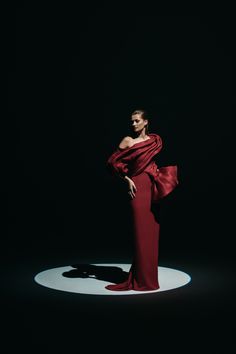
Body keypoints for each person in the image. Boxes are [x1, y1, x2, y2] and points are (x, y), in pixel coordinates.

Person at [105, 109, 179, 291]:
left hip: (152, 188)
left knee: (152, 235)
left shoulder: (154, 140)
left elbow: (149, 161)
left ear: (146, 122)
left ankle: (148, 279)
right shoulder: (128, 141)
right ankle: (141, 280)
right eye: (131, 121)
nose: (133, 124)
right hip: (137, 188)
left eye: (137, 121)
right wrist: (127, 179)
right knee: (141, 235)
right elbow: (111, 163)